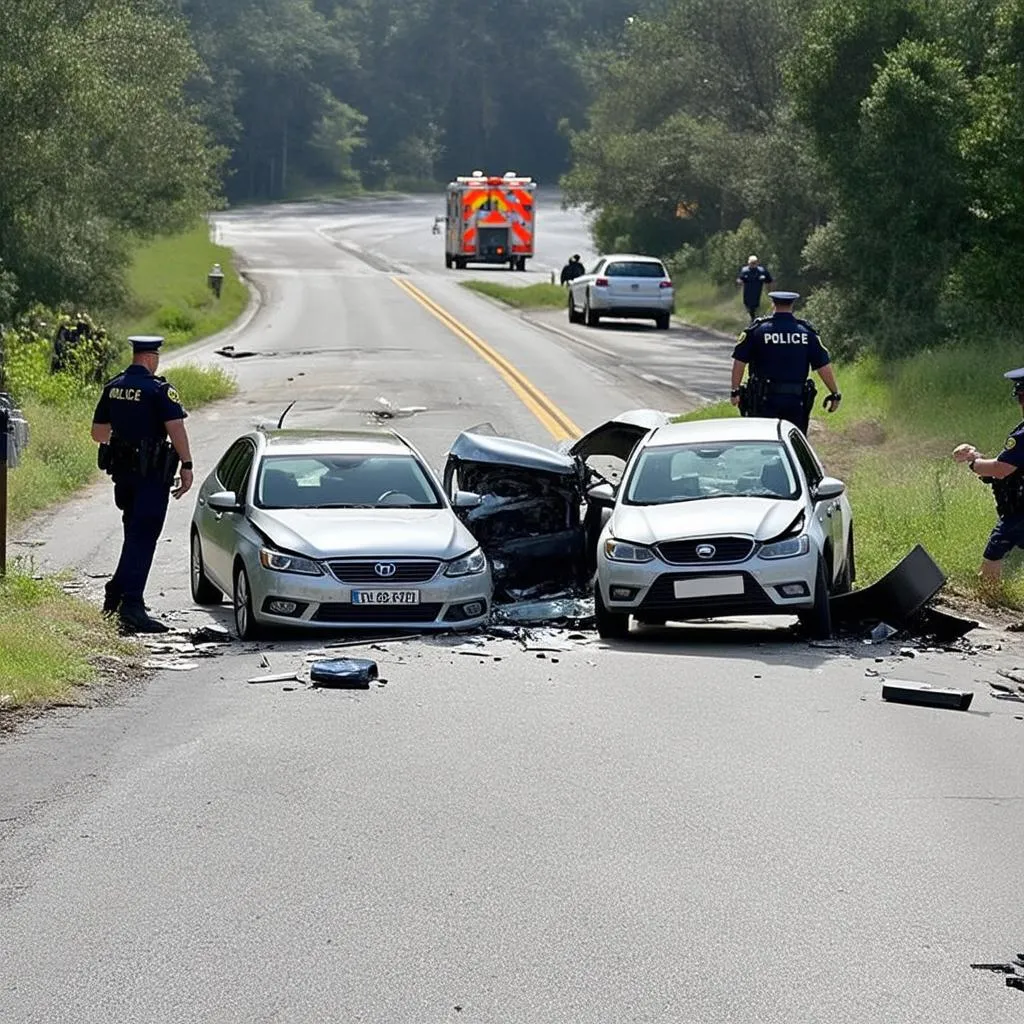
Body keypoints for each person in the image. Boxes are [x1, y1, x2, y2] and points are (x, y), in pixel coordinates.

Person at [91, 335, 194, 633]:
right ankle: (131, 606)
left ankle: (116, 595)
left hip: (123, 475)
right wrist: (186, 465)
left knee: (133, 533)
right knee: (144, 536)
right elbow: (176, 429)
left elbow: (98, 433)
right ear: (151, 358)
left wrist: (124, 443)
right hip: (151, 476)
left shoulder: (113, 387)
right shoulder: (159, 390)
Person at [729, 291, 842, 434]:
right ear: (792, 305)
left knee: (764, 440)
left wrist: (735, 391)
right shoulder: (807, 333)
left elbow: (739, 361)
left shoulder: (757, 331)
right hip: (796, 401)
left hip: (763, 400)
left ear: (773, 304)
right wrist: (835, 393)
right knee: (793, 441)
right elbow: (823, 366)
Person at [952, 368, 1024, 586]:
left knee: (994, 551)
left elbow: (1001, 469)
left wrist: (972, 460)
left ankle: (988, 602)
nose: (1021, 403)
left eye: (1022, 397)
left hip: (1020, 513)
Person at [736, 255, 773, 321]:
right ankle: (751, 320)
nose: (753, 265)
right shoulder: (745, 271)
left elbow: (769, 281)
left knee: (757, 308)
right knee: (749, 308)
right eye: (752, 263)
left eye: (754, 263)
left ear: (757, 263)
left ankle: (755, 321)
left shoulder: (762, 271)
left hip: (758, 294)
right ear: (749, 263)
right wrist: (740, 282)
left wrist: (769, 291)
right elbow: (740, 279)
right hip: (748, 294)